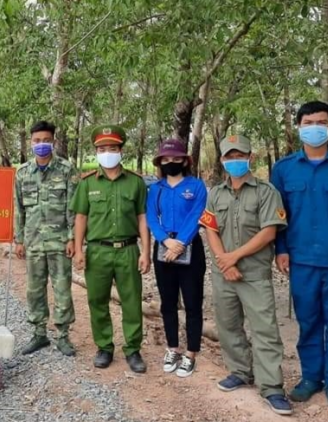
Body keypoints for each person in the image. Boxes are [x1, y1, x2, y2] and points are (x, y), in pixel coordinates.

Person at [201, 134, 292, 415]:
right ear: (222, 160)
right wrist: (224, 262)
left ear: (250, 157)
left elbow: (270, 231)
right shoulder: (215, 193)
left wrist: (234, 257)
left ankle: (272, 387)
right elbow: (211, 228)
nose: (234, 160)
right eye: (229, 156)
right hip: (223, 273)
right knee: (228, 325)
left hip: (253, 273)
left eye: (240, 155)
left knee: (264, 329)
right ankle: (240, 371)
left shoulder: (266, 191)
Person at [70, 125, 150, 373]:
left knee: (131, 301)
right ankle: (104, 346)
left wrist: (146, 252)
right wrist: (80, 249)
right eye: (102, 149)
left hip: (128, 250)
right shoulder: (87, 184)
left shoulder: (136, 183)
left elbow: (142, 218)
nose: (107, 152)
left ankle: (133, 349)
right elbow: (81, 217)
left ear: (120, 150)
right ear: (96, 152)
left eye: (112, 148)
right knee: (97, 300)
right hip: (97, 251)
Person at [271, 100, 328, 406]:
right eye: (308, 123)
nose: (315, 128)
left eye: (321, 122)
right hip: (301, 260)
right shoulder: (283, 170)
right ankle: (311, 377)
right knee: (308, 321)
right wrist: (280, 250)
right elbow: (277, 217)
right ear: (299, 128)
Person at [14, 121, 79, 357]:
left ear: (53, 141)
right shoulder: (22, 173)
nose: (41, 144)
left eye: (46, 140)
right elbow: (19, 209)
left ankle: (63, 336)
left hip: (60, 241)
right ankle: (39, 334)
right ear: (31, 143)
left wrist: (73, 238)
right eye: (37, 141)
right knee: (34, 289)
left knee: (62, 288)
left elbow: (73, 208)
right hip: (33, 242)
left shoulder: (67, 170)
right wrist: (19, 240)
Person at [145, 139, 207, 377]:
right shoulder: (156, 189)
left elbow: (198, 214)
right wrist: (164, 239)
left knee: (192, 303)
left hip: (190, 247)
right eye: (166, 159)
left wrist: (180, 242)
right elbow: (151, 216)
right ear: (161, 162)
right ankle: (173, 348)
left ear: (185, 161)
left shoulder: (197, 186)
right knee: (167, 303)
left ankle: (191, 353)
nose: (171, 163)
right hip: (163, 248)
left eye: (176, 159)